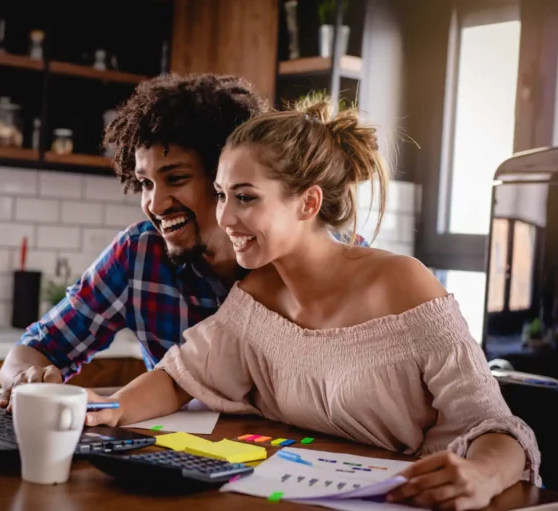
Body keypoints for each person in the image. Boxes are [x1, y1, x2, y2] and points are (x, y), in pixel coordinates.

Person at [83, 95, 541, 511]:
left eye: (245, 197)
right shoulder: (256, 297)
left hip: (427, 501)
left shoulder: (403, 285)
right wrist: (112, 407)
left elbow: (497, 427)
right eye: (222, 195)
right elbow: (180, 377)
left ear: (307, 203)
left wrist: (480, 475)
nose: (224, 216)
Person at [0, 74, 365, 408]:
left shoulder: (320, 260)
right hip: (182, 457)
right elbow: (36, 348)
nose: (154, 204)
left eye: (175, 178)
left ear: (223, 175)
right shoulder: (138, 255)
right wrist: (25, 379)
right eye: (145, 184)